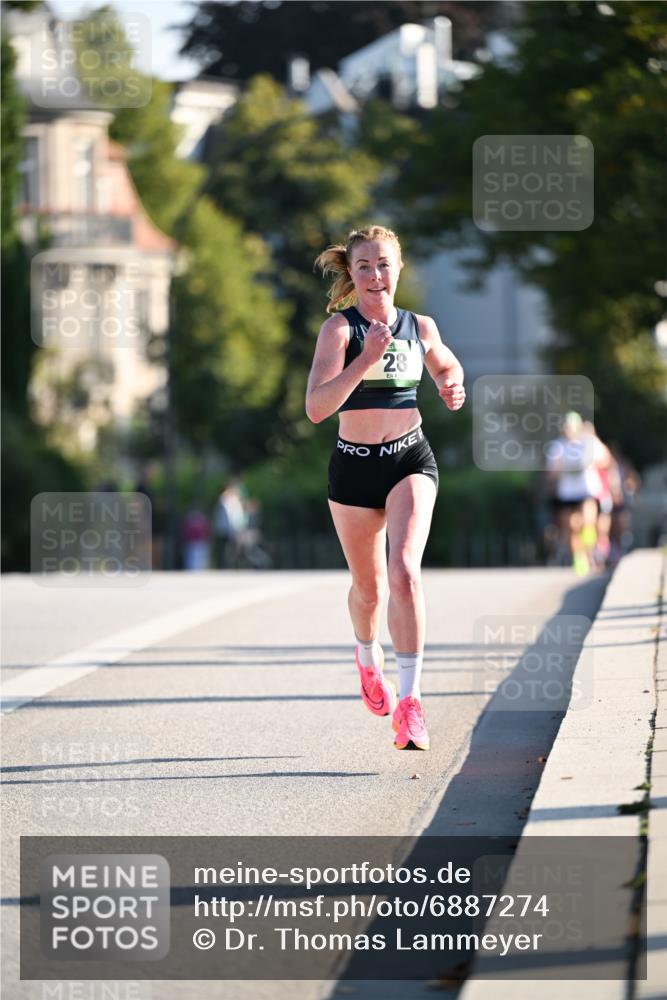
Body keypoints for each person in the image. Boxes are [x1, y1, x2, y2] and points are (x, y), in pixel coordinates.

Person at [306, 225, 465, 751]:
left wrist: (450, 383)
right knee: (369, 590)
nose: (375, 275)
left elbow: (446, 362)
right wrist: (364, 359)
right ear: (352, 276)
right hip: (353, 469)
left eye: (383, 264)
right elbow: (316, 407)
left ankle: (412, 703)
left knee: (405, 574)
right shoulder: (339, 330)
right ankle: (366, 654)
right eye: (364, 267)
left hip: (409, 459)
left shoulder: (420, 326)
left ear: (399, 269)